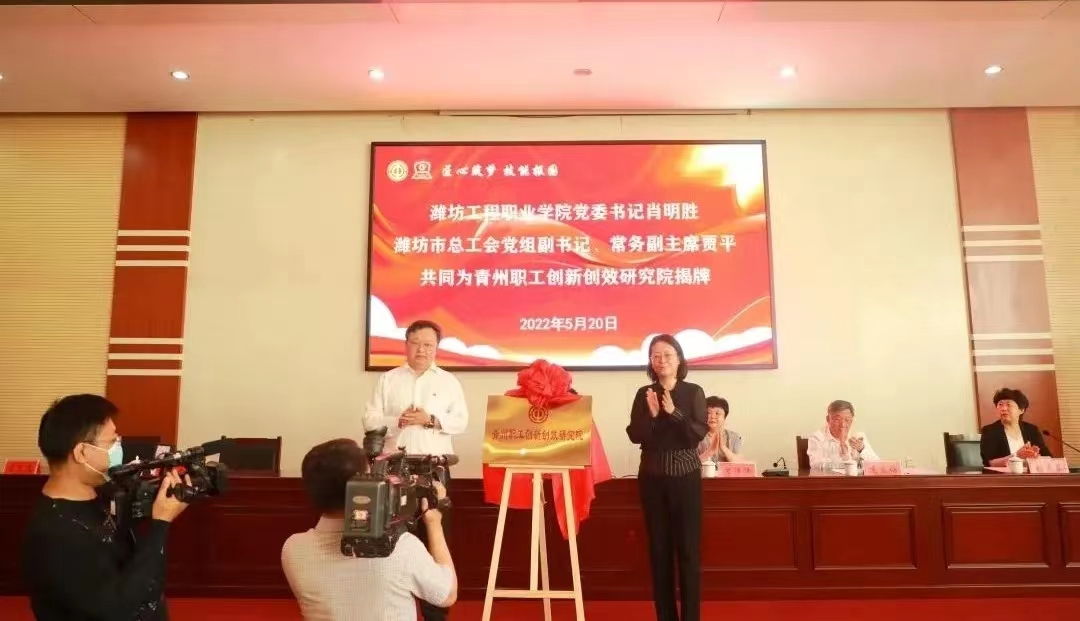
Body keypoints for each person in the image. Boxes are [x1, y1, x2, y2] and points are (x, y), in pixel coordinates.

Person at [20, 394, 190, 621]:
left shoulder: (97, 493)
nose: (119, 448)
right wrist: (161, 523)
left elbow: (118, 551)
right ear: (81, 453)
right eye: (112, 442)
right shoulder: (55, 532)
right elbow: (116, 608)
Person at [281, 438, 457, 621]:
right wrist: (434, 523)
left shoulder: (293, 548)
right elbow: (447, 595)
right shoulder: (400, 547)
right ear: (362, 488)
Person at [363, 319, 467, 621]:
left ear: (436, 348)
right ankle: (395, 608)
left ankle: (436, 613)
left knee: (435, 535)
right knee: (392, 536)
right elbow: (369, 419)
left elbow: (461, 421)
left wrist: (430, 419)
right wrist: (398, 420)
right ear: (406, 344)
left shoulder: (448, 381)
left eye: (428, 345)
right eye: (416, 343)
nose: (422, 350)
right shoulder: (389, 379)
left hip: (433, 470)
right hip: (394, 469)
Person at [626, 334, 708, 621]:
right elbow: (635, 435)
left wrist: (674, 413)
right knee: (659, 550)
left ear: (679, 359)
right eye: (656, 356)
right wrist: (651, 415)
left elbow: (696, 435)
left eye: (667, 355)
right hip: (652, 478)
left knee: (688, 551)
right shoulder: (644, 393)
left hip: (685, 478)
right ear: (651, 361)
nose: (661, 360)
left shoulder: (693, 391)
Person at [980, 387, 1053, 467]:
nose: (1003, 408)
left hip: (1030, 474)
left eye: (1008, 405)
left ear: (1021, 410)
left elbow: (1048, 457)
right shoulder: (989, 431)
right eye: (1000, 404)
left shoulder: (1031, 430)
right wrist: (1017, 456)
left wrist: (1036, 456)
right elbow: (990, 463)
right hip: (1004, 474)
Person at [806, 400, 880, 469]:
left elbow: (876, 465)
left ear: (851, 420)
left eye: (847, 420)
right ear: (828, 419)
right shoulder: (817, 438)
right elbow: (815, 465)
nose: (843, 425)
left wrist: (862, 449)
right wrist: (843, 447)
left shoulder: (858, 437)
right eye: (837, 420)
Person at [697, 396, 743, 463]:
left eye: (717, 413)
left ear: (724, 417)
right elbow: (691, 464)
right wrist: (710, 451)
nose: (712, 417)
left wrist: (723, 448)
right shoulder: (696, 436)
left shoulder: (734, 436)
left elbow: (739, 464)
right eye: (708, 413)